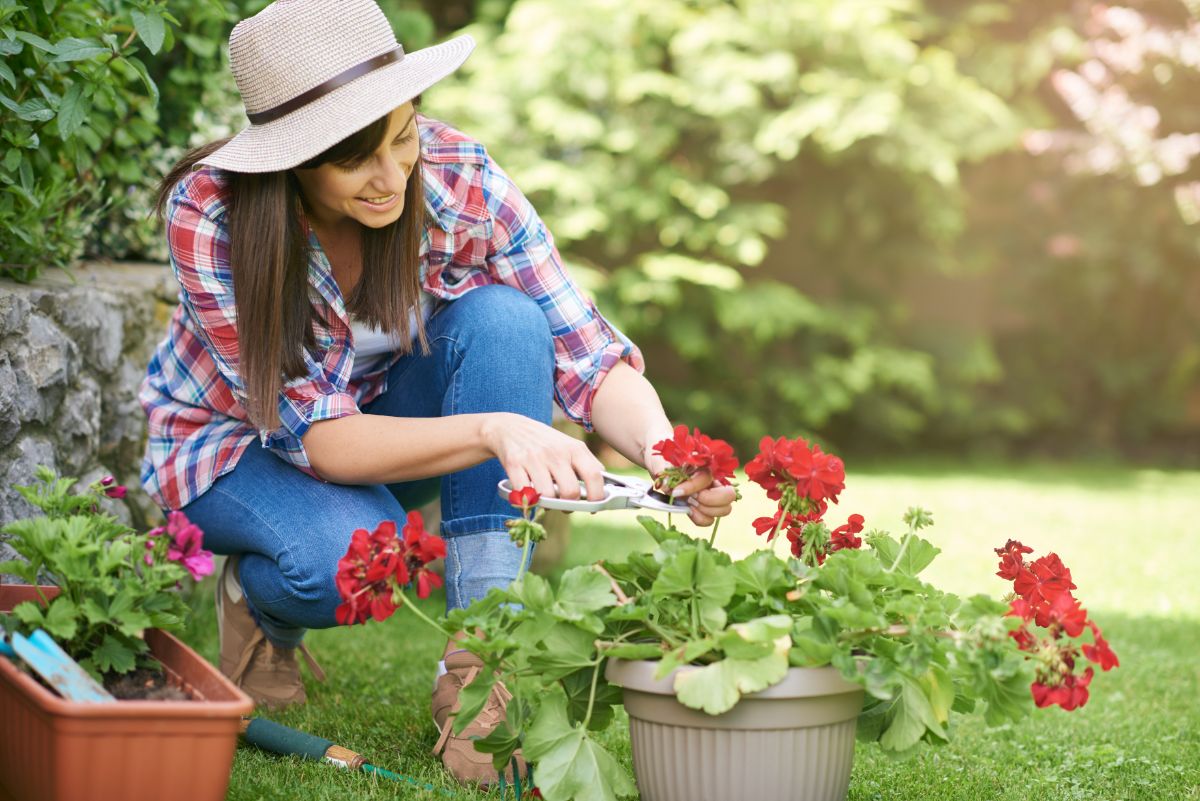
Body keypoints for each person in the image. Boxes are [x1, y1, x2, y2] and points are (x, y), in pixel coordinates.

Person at [138, 0, 736, 787]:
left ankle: (482, 672)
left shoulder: (460, 178)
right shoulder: (214, 214)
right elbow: (320, 437)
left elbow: (585, 352)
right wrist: (496, 431)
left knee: (506, 320)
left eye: (404, 134)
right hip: (229, 450)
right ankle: (261, 601)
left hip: (381, 427)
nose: (394, 177)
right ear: (293, 159)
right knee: (347, 561)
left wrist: (667, 455)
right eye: (357, 160)